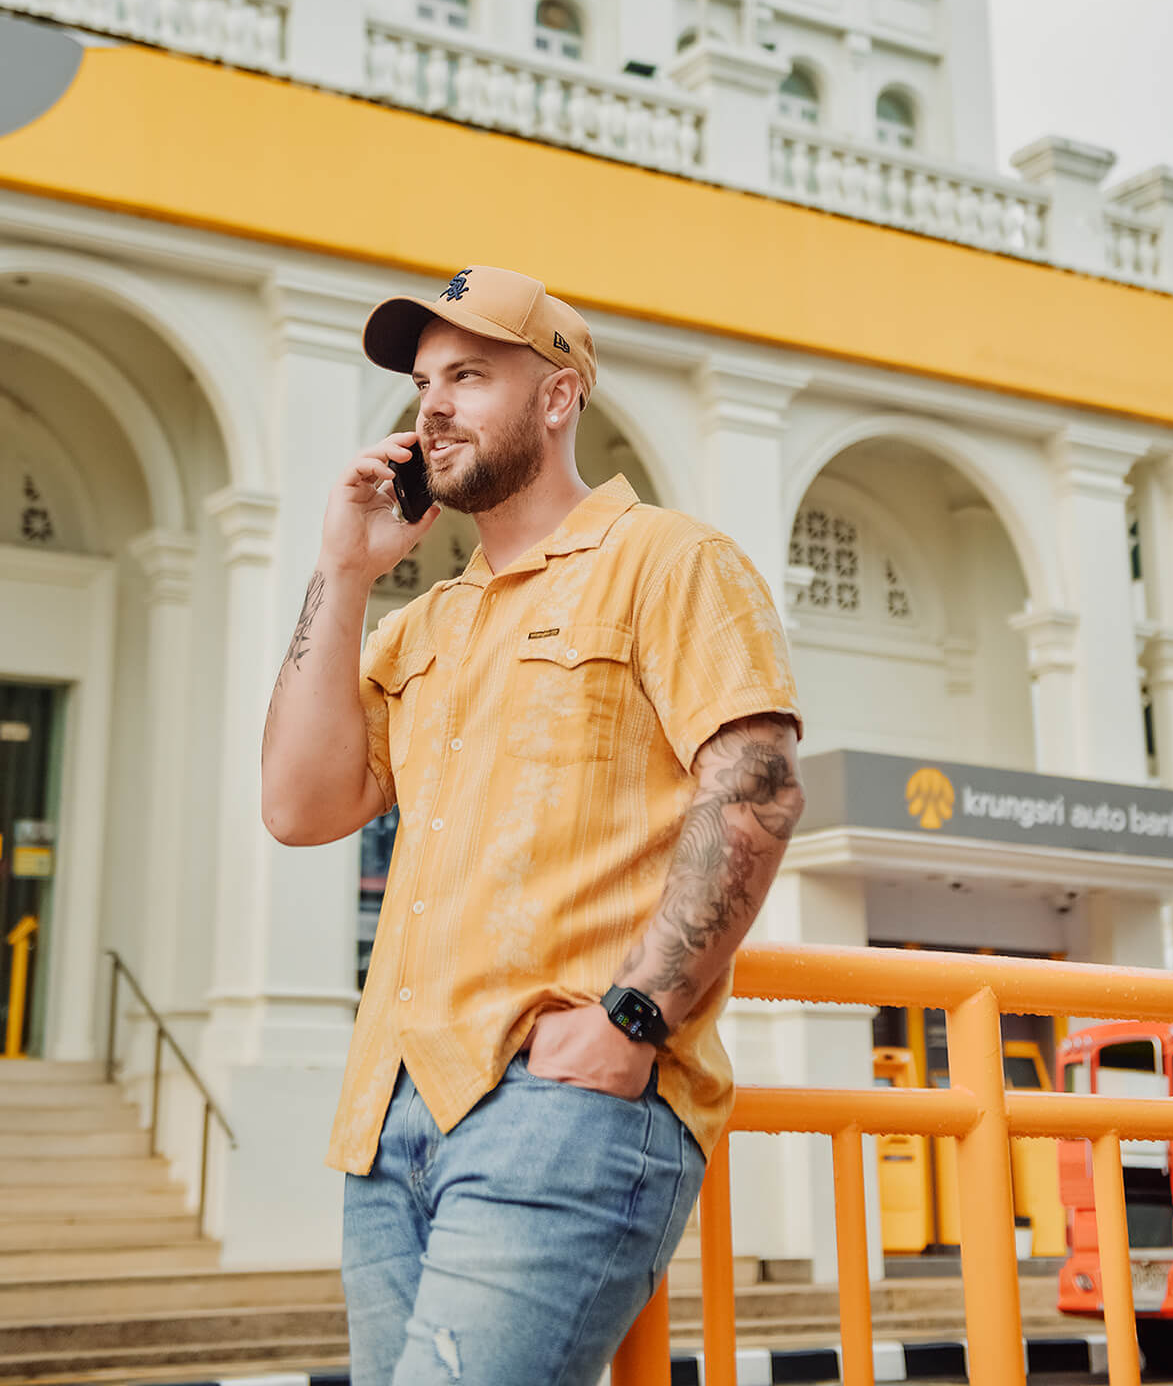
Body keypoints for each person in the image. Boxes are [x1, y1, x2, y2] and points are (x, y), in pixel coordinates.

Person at [261, 264, 804, 1386]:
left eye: (470, 375)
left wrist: (633, 1016)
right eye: (423, 383)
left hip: (562, 1105)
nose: (434, 407)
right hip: (390, 1114)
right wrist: (343, 571)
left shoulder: (668, 558)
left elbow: (751, 787)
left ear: (557, 399)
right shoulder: (425, 627)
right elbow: (298, 804)